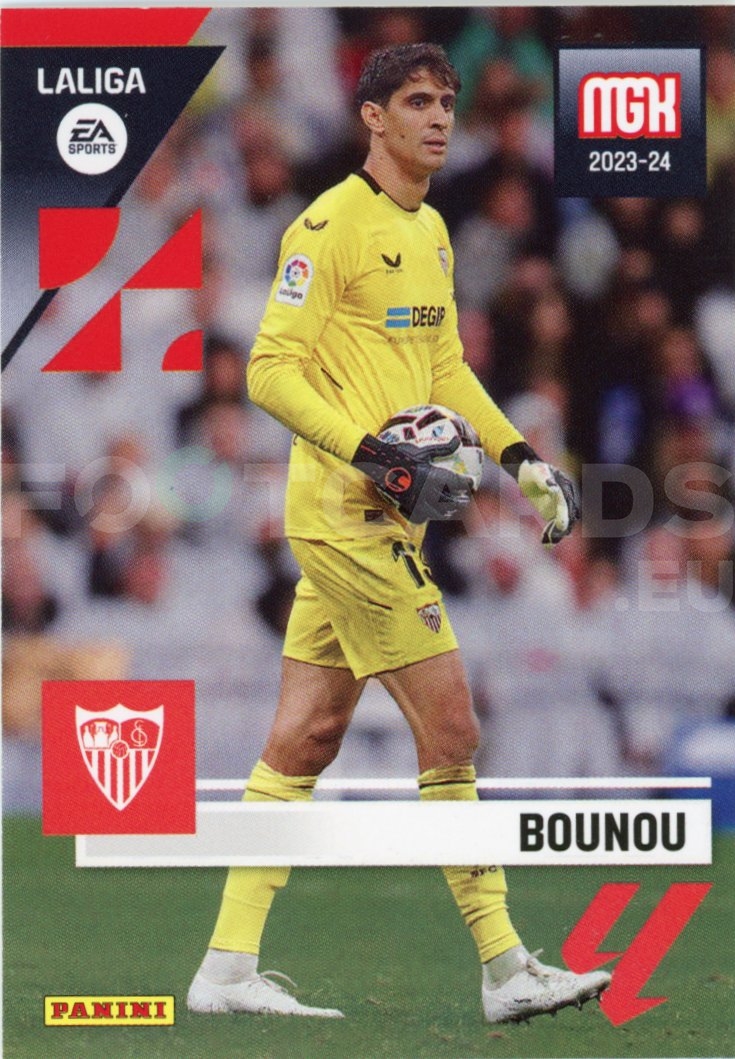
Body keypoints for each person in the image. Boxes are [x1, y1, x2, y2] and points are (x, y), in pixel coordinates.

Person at [188, 42, 608, 1026]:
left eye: (447, 102)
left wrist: (520, 459)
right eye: (418, 101)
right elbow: (269, 369)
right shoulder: (327, 225)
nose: (440, 118)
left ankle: (226, 967)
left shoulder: (430, 231)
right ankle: (505, 968)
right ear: (372, 117)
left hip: (387, 517)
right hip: (345, 519)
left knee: (303, 739)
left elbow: (446, 368)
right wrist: (371, 454)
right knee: (454, 732)